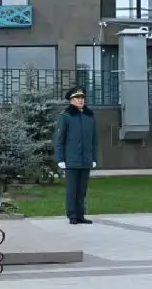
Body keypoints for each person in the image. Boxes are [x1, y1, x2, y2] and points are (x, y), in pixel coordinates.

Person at [54, 86, 99, 225]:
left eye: (82, 98)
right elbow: (59, 140)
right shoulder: (66, 117)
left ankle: (81, 214)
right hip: (71, 159)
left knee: (82, 190)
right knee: (72, 189)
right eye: (77, 98)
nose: (81, 100)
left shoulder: (89, 117)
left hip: (86, 159)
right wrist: (60, 159)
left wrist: (94, 158)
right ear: (71, 100)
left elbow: (94, 140)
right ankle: (72, 215)